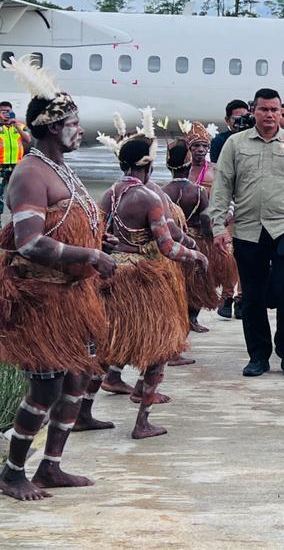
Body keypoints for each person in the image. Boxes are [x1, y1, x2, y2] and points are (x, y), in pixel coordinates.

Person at [0, 58, 115, 501]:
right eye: (73, 123)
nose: (79, 130)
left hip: (73, 299)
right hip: (41, 300)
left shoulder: (62, 168)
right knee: (45, 386)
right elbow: (30, 243)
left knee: (78, 380)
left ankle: (51, 468)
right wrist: (88, 254)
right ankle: (12, 473)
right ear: (51, 128)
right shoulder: (30, 174)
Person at [98, 129, 208, 439]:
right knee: (159, 350)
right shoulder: (147, 196)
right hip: (144, 281)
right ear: (146, 166)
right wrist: (195, 256)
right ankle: (141, 422)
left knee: (109, 345)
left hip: (113, 276)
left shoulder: (110, 192)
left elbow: (98, 233)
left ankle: (82, 413)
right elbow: (167, 247)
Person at [209, 88, 284, 378]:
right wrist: (218, 227)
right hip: (249, 230)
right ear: (254, 112)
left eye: (275, 110)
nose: (270, 115)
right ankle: (258, 356)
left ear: (281, 114)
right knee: (252, 297)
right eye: (264, 109)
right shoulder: (235, 145)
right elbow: (221, 187)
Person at [162, 139, 222, 334]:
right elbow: (206, 221)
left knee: (177, 286)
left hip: (171, 246)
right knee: (197, 285)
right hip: (196, 244)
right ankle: (191, 320)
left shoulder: (162, 192)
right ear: (188, 164)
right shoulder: (197, 192)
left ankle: (181, 321)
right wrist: (211, 241)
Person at [0, 99, 31, 215]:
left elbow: (28, 139)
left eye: (8, 111)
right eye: (2, 111)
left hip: (16, 166)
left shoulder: (20, 126)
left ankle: (17, 221)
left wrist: (15, 126)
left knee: (18, 195)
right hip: (1, 167)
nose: (6, 114)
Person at [209, 99, 251, 163]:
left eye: (245, 118)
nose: (241, 122)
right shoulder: (219, 141)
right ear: (227, 120)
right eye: (237, 119)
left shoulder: (254, 138)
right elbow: (216, 167)